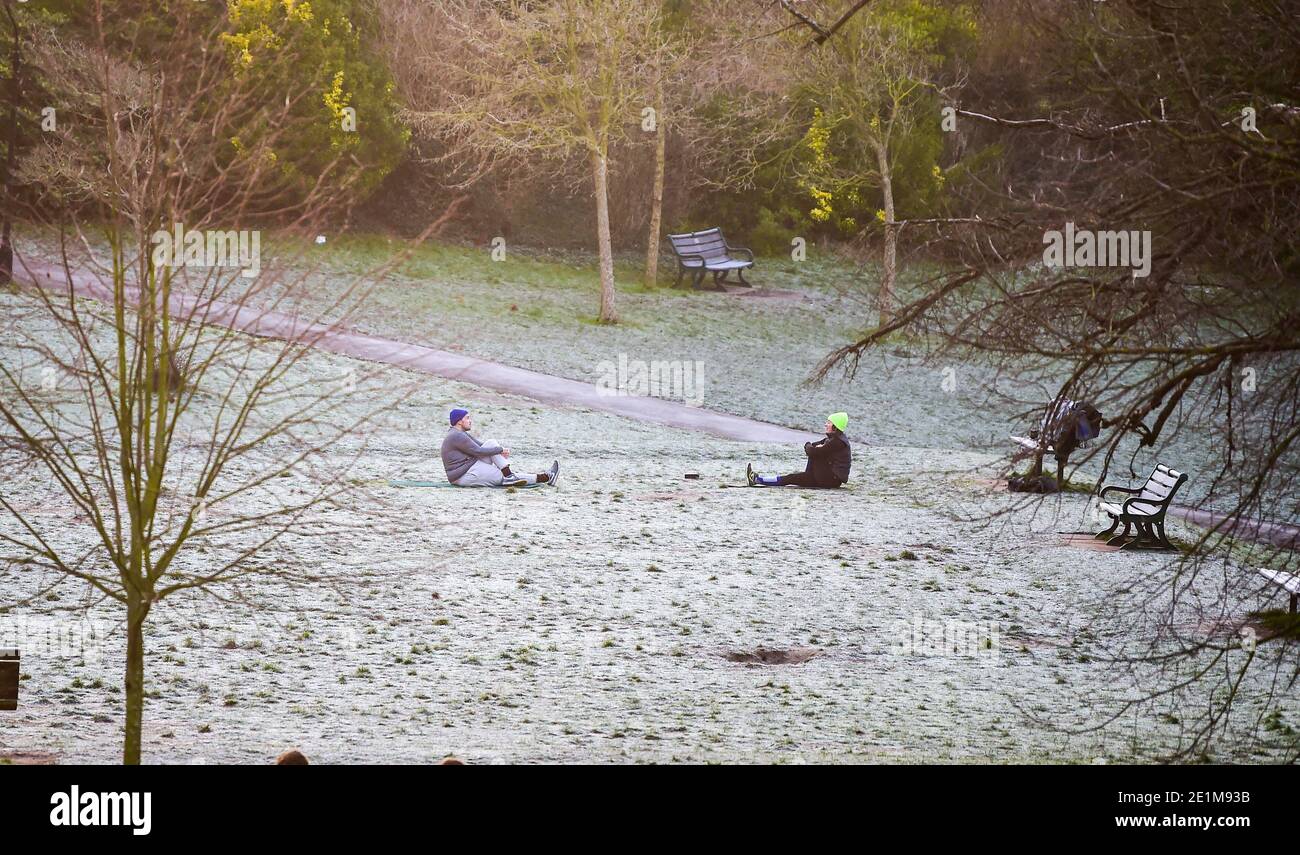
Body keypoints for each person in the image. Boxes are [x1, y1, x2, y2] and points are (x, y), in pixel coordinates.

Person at [440, 408, 559, 488]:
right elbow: (479, 451)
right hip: (463, 476)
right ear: (459, 422)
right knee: (501, 477)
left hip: (470, 467)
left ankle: (509, 476)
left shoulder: (459, 433)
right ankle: (546, 477)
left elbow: (481, 446)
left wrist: (497, 451)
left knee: (491, 443)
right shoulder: (456, 435)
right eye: (467, 418)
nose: (470, 421)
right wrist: (500, 450)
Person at [747, 412, 851, 489]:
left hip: (831, 480)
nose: (825, 425)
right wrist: (812, 447)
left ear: (835, 426)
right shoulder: (831, 439)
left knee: (815, 455)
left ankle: (757, 479)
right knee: (791, 478)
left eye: (828, 423)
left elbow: (811, 451)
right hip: (825, 478)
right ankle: (757, 479)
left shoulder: (838, 442)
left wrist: (813, 448)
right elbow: (811, 446)